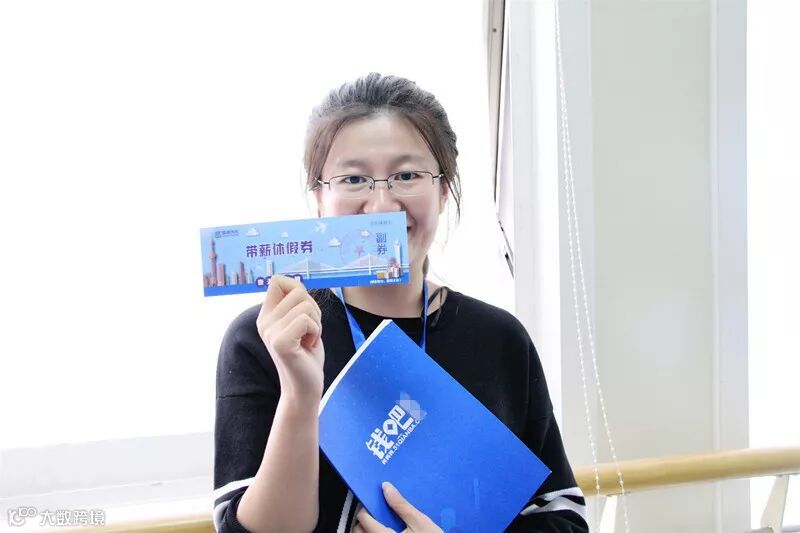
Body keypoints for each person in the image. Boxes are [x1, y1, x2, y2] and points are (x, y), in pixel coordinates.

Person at [213, 73, 588, 532]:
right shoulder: (268, 338)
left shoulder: (499, 338)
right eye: (354, 179)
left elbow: (562, 517)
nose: (382, 206)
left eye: (407, 176)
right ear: (319, 198)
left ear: (444, 190)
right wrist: (299, 394)